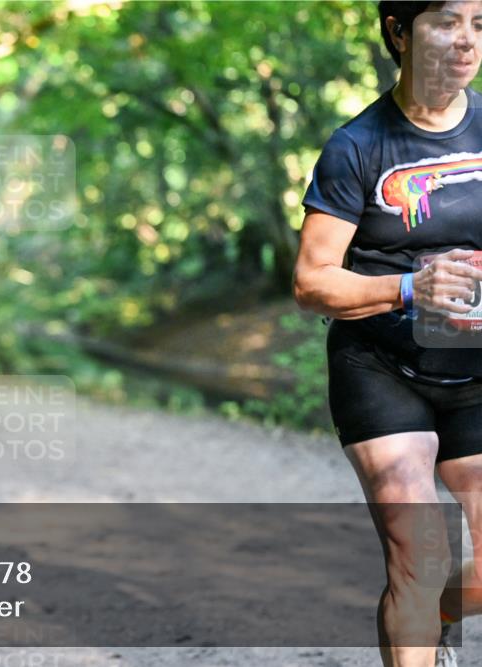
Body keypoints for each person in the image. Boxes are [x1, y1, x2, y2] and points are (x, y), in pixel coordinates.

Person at [295, 2, 481, 665]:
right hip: (380, 365)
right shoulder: (357, 146)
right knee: (420, 553)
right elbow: (312, 279)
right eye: (446, 21)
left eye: (481, 24)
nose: (465, 42)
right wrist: (407, 288)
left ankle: (426, 616)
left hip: (474, 371)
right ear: (399, 31)